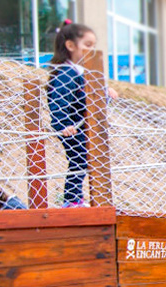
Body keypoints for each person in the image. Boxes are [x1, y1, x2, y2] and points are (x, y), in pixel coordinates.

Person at [48, 21, 97, 208]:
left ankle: (75, 198)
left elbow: (91, 99)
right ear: (70, 45)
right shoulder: (67, 72)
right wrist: (62, 124)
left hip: (81, 126)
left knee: (82, 160)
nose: (92, 50)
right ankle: (72, 200)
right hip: (72, 127)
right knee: (79, 159)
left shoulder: (80, 71)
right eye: (87, 45)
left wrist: (106, 93)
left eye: (94, 46)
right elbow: (58, 101)